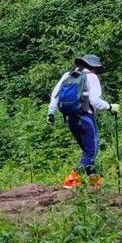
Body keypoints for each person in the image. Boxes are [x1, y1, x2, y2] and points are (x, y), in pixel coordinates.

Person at [49, 54, 117, 188]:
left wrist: (50, 113)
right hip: (86, 119)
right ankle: (72, 180)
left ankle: (95, 182)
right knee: (91, 152)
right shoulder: (92, 77)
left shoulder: (68, 75)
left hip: (71, 120)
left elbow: (55, 95)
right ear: (93, 67)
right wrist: (110, 107)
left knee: (87, 152)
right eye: (97, 69)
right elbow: (95, 101)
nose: (97, 71)